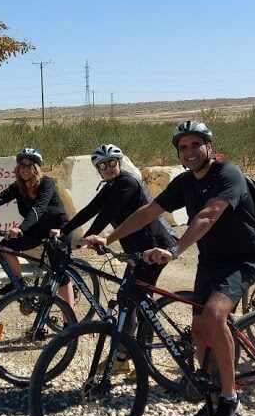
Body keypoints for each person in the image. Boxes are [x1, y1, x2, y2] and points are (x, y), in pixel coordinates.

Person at [83, 121, 255, 416]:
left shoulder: (228, 174)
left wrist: (175, 250)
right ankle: (209, 403)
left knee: (214, 314)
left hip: (242, 259)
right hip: (210, 262)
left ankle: (229, 397)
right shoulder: (184, 182)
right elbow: (147, 212)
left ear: (209, 146)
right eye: (183, 147)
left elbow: (208, 215)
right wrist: (108, 238)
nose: (190, 152)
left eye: (196, 144)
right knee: (198, 330)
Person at [59, 144, 176, 375]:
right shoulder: (110, 186)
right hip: (137, 250)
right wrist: (64, 231)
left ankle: (132, 359)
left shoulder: (128, 183)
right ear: (99, 171)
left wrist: (91, 237)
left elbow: (108, 213)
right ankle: (132, 358)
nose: (109, 168)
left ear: (119, 163)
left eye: (112, 162)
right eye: (103, 165)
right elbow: (90, 209)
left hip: (154, 247)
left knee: (133, 300)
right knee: (132, 299)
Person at [0, 147, 76, 309]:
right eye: (22, 165)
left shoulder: (46, 183)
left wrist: (21, 229)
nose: (25, 169)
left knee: (59, 276)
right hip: (36, 228)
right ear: (18, 168)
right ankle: (18, 284)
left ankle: (69, 323)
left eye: (30, 165)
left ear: (36, 168)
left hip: (58, 230)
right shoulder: (18, 186)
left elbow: (38, 209)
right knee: (4, 247)